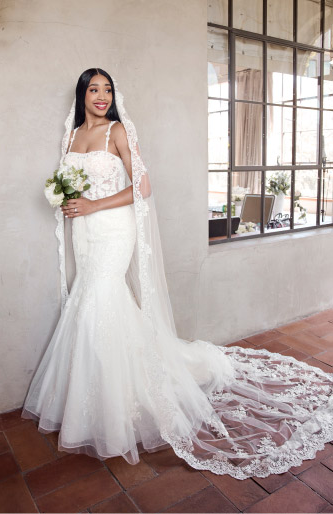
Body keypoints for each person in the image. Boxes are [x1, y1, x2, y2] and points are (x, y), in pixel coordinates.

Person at [22, 68, 333, 480]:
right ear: (81, 95)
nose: (101, 95)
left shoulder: (117, 130)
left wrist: (94, 206)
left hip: (114, 228)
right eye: (94, 89)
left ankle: (122, 401)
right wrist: (69, 200)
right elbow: (72, 184)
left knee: (102, 295)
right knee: (89, 296)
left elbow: (143, 187)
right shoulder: (72, 134)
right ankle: (95, 397)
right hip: (84, 231)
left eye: (108, 89)